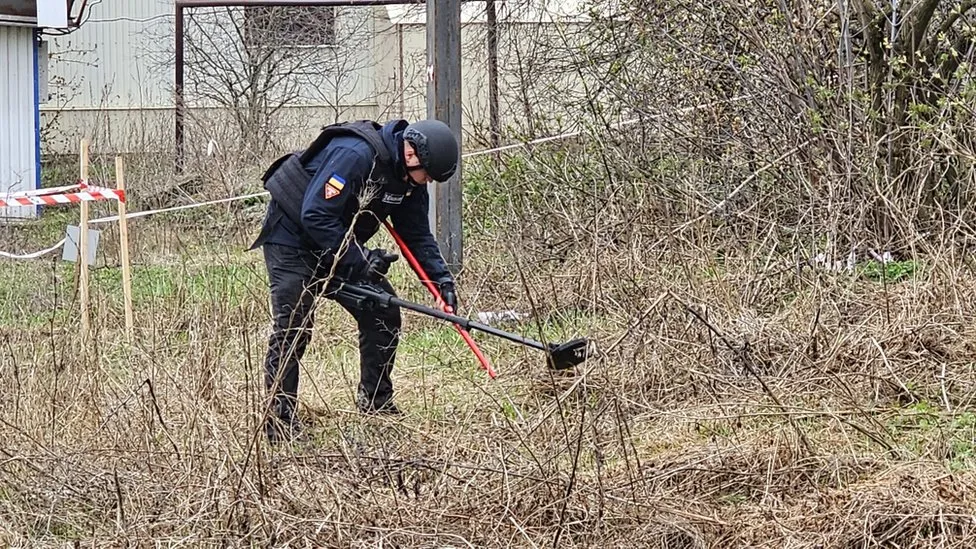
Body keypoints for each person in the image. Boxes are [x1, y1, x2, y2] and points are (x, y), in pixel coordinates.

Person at [250, 118, 461, 443]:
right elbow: (316, 214)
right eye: (428, 175)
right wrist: (361, 260)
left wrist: (441, 281)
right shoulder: (356, 154)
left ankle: (375, 403)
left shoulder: (409, 183)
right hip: (292, 238)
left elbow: (417, 235)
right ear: (411, 155)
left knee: (382, 310)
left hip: (338, 242)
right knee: (294, 327)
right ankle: (279, 425)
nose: (427, 182)